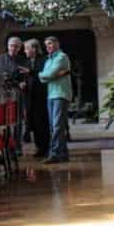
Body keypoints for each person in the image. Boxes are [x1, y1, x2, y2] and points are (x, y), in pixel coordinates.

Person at [39, 35, 72, 163]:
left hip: (61, 94)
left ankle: (54, 154)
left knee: (57, 126)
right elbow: (44, 78)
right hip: (51, 94)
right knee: (55, 126)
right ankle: (63, 154)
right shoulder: (48, 60)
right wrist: (46, 76)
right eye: (46, 45)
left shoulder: (62, 57)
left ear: (57, 44)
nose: (48, 47)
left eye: (50, 44)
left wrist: (45, 75)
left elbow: (48, 75)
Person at [24, 38, 49, 158]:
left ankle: (46, 147)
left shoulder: (44, 60)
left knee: (43, 123)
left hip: (42, 96)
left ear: (33, 49)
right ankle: (39, 147)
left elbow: (43, 75)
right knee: (34, 123)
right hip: (30, 97)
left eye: (26, 48)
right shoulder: (27, 62)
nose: (25, 51)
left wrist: (31, 72)